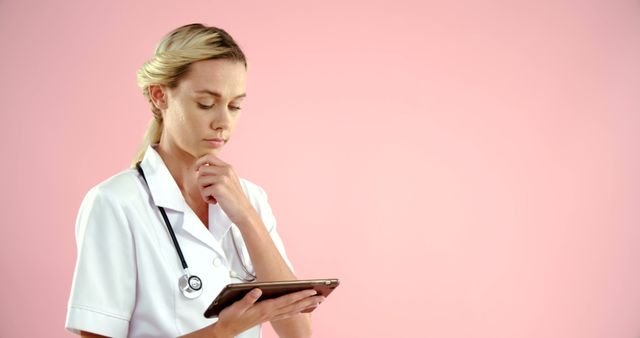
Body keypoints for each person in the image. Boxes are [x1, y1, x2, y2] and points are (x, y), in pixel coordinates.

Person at [65, 23, 324, 338]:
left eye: (235, 105)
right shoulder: (115, 203)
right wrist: (222, 331)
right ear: (160, 96)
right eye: (206, 103)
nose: (223, 122)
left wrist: (245, 217)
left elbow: (298, 332)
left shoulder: (250, 199)